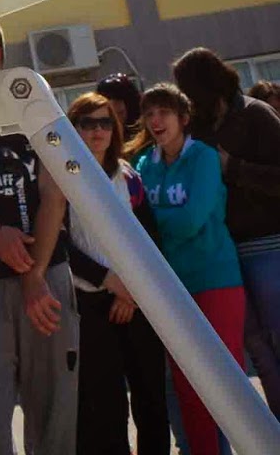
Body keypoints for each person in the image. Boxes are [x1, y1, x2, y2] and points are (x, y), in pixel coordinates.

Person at [0, 19, 79, 455]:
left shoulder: (33, 108)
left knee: (55, 413)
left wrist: (35, 275)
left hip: (47, 277)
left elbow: (55, 196)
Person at [129, 83, 246, 455]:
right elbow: (138, 223)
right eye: (149, 114)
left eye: (163, 112)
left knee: (224, 380)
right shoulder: (143, 165)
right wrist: (162, 223)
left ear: (183, 118)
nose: (155, 120)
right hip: (168, 287)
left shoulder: (204, 157)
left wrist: (154, 223)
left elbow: (192, 219)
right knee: (186, 383)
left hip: (215, 279)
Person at [174, 46, 280, 418]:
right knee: (257, 349)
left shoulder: (256, 115)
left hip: (269, 243)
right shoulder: (198, 127)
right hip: (226, 249)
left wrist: (232, 168)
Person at [64, 91, 169, 455]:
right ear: (72, 128)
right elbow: (60, 245)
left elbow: (149, 240)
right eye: (87, 123)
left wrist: (133, 293)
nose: (97, 131)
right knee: (105, 405)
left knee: (152, 398)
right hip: (89, 304)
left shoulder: (129, 176)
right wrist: (109, 282)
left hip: (137, 301)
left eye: (105, 122)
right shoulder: (60, 178)